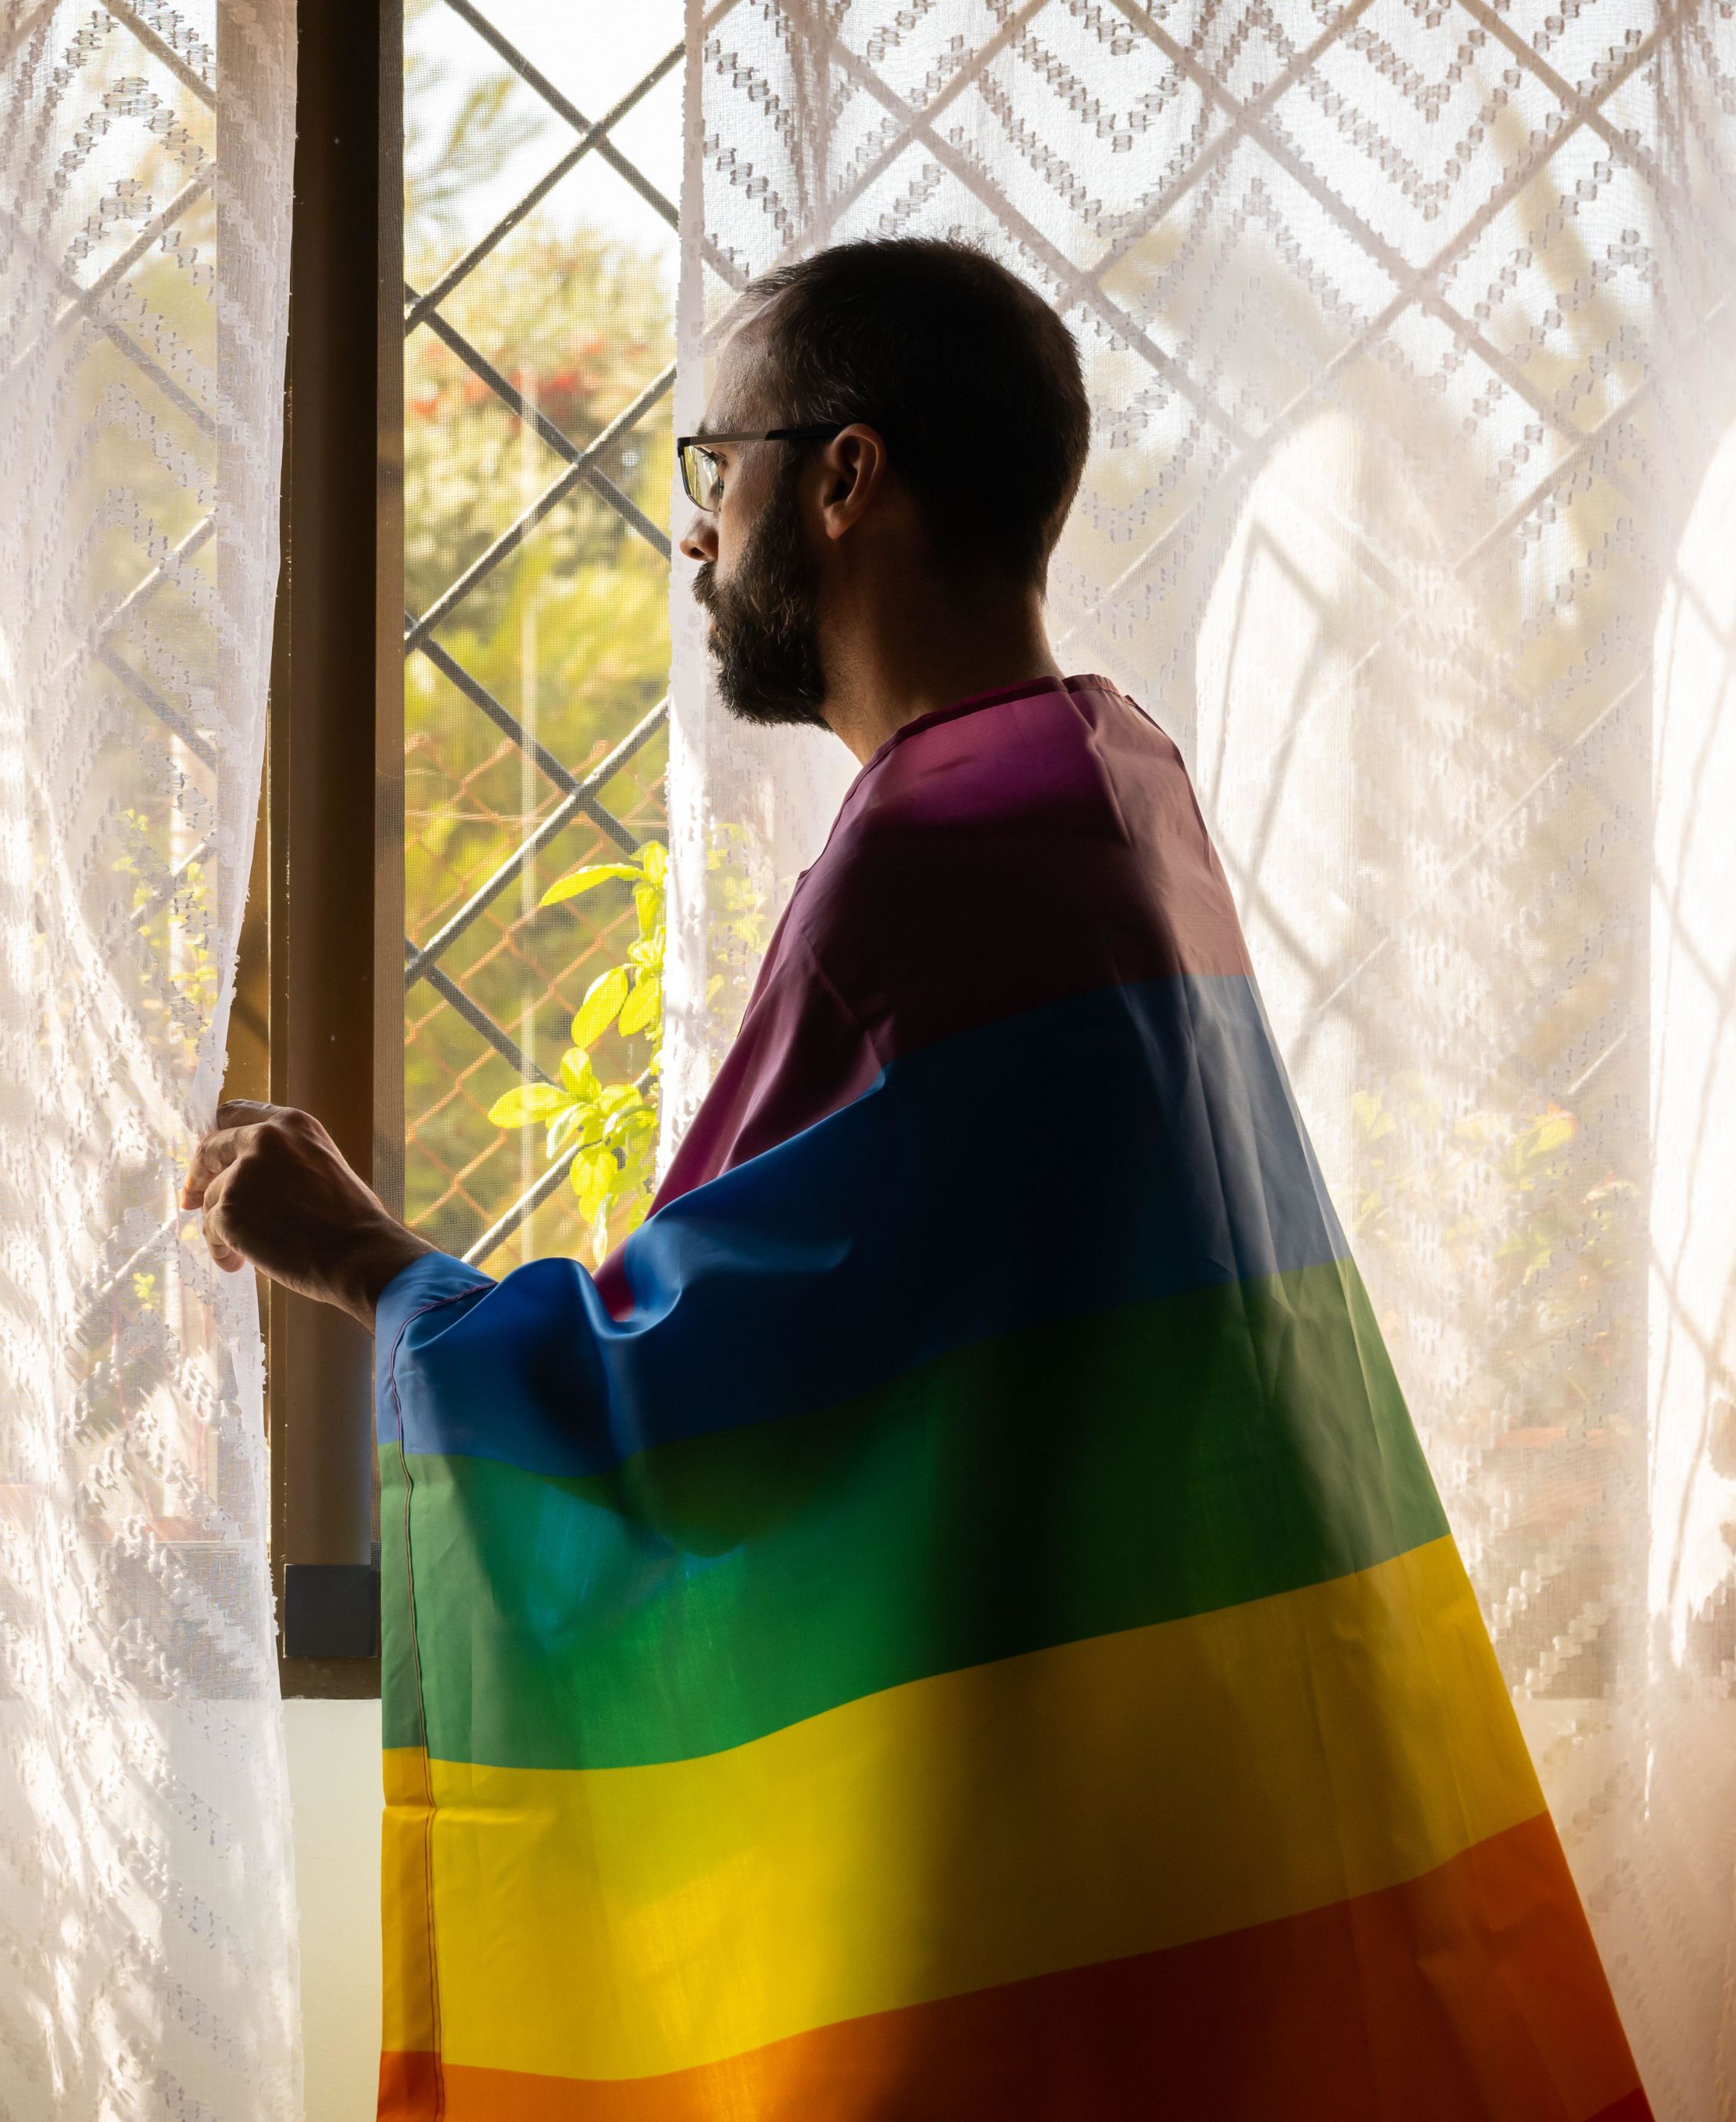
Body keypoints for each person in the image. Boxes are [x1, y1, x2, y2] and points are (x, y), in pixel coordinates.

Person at [187, 239, 1647, 2121]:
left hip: (1024, 1875)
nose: (696, 538)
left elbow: (691, 1421)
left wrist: (367, 1262)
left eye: (714, 467)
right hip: (1194, 1799)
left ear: (843, 476)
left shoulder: (932, 864)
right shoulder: (1112, 790)